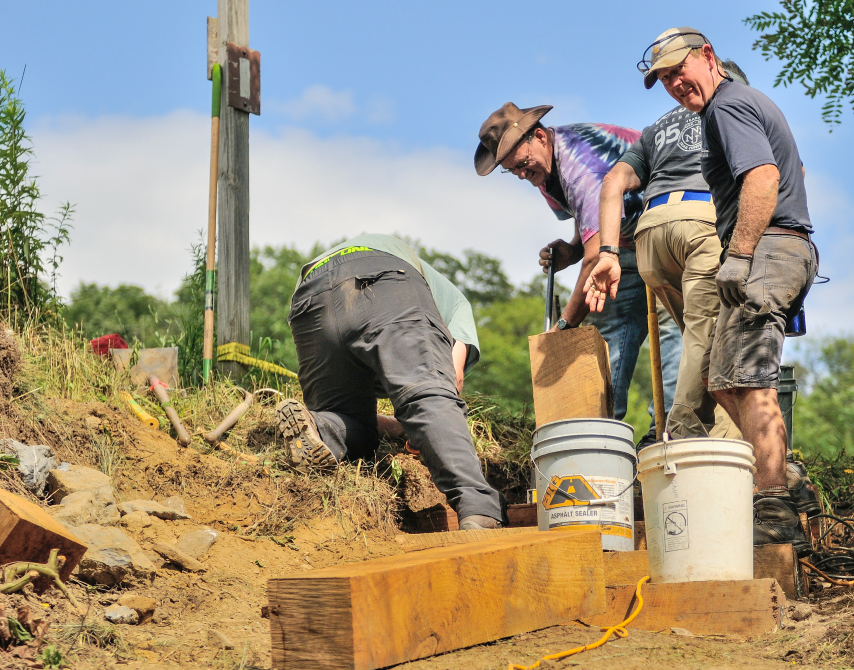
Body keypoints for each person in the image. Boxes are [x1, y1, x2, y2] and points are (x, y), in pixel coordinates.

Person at [641, 28, 819, 546]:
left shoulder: (727, 104)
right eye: (665, 78)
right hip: (779, 249)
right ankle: (786, 479)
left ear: (709, 57)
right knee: (721, 375)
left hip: (768, 249)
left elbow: (762, 177)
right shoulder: (737, 106)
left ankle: (773, 508)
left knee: (749, 378)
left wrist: (739, 255)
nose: (675, 83)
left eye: (680, 70)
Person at [474, 103, 681, 435]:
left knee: (673, 329)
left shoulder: (579, 165)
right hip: (626, 247)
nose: (524, 176)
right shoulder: (544, 168)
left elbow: (595, 256)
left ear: (539, 136)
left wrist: (564, 326)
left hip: (672, 230)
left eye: (524, 165)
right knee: (608, 332)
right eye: (514, 171)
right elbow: (588, 228)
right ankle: (599, 434)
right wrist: (571, 248)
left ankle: (670, 432)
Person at [277, 234, 505, 531]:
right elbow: (447, 380)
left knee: (350, 420)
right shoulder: (457, 307)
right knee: (429, 391)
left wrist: (406, 427)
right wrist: (426, 422)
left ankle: (318, 429)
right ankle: (479, 507)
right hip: (381, 279)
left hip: (310, 296)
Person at [585, 61, 753, 440]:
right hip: (702, 222)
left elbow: (613, 182)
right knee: (709, 339)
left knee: (703, 343)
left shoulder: (656, 128)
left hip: (651, 237)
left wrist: (609, 253)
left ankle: (729, 436)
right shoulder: (735, 107)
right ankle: (681, 437)